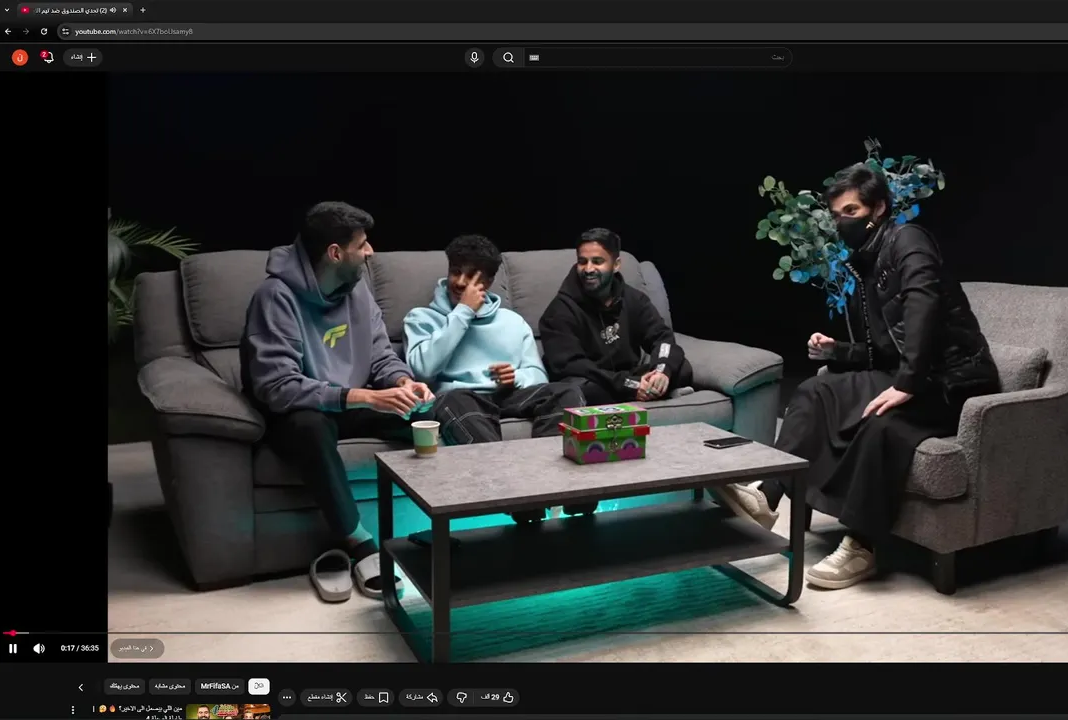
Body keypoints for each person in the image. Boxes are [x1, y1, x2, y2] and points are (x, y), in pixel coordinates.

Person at [714, 163, 1001, 591]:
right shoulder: (867, 260)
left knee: (881, 422)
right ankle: (767, 496)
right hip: (909, 373)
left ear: (879, 207)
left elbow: (923, 305)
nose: (842, 222)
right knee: (814, 391)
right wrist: (838, 351)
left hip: (955, 382)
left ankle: (862, 546)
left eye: (851, 211)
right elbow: (884, 350)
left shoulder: (908, 240)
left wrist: (905, 384)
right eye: (836, 215)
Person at [241, 201, 434, 602]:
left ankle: (444, 521)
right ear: (334, 253)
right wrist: (362, 396)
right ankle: (359, 543)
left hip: (353, 403)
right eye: (362, 245)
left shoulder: (357, 291)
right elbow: (277, 386)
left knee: (430, 413)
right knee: (309, 426)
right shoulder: (275, 297)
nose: (370, 252)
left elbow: (380, 355)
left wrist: (402, 382)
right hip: (298, 413)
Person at [402, 234, 591, 521]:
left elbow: (538, 376)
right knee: (454, 399)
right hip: (461, 398)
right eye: (456, 271)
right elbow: (422, 370)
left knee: (567, 391)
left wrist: (515, 378)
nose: (460, 282)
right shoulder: (422, 318)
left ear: (488, 282)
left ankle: (563, 488)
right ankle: (517, 496)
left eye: (471, 276)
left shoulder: (512, 322)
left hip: (509, 395)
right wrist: (463, 312)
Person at [538, 227, 692, 406]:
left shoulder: (634, 299)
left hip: (629, 376)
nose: (588, 269)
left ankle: (650, 389)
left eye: (597, 261)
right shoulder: (558, 312)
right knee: (578, 390)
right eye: (582, 262)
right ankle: (653, 393)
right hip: (593, 380)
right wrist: (628, 385)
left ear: (616, 265)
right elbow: (572, 366)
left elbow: (662, 338)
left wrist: (661, 371)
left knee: (681, 368)